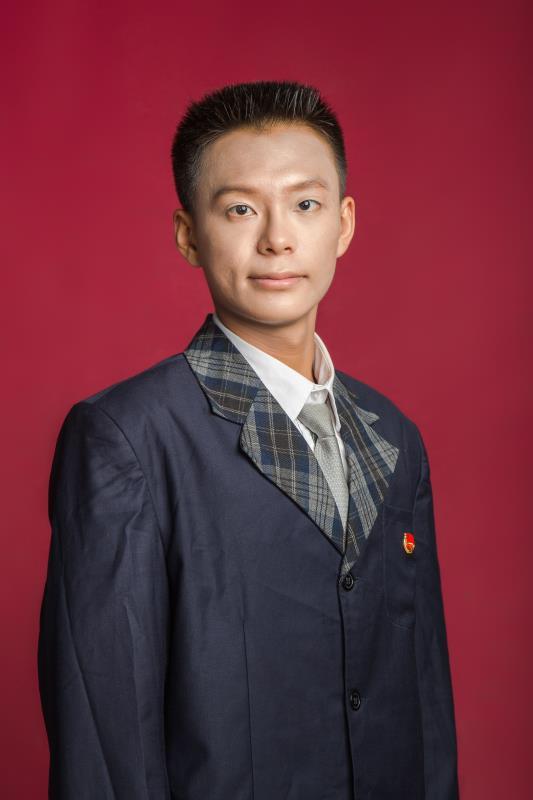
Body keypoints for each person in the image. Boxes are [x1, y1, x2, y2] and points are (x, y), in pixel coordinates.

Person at [38, 79, 459, 799]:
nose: (276, 239)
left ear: (344, 224)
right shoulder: (126, 438)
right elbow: (105, 743)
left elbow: (425, 703)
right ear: (187, 235)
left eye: (305, 205)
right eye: (240, 209)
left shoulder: (394, 437)